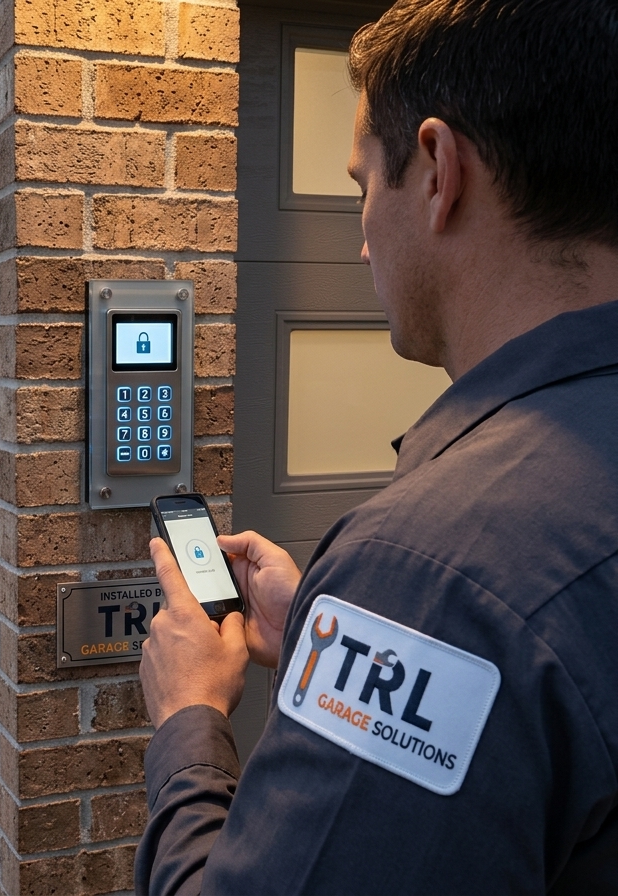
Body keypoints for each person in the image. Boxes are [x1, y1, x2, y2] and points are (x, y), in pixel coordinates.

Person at [134, 0, 618, 891]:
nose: (359, 239)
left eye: (363, 184)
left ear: (438, 171)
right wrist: (330, 623)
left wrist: (189, 717)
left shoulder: (433, 573)